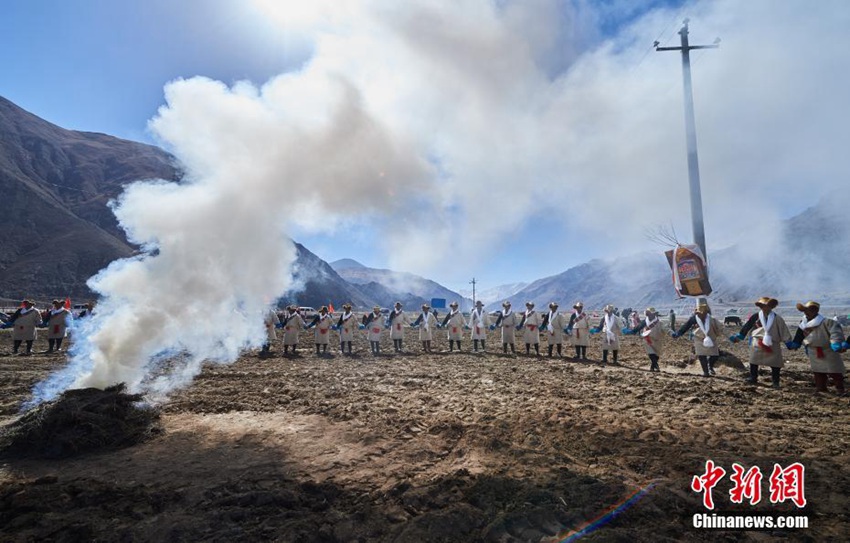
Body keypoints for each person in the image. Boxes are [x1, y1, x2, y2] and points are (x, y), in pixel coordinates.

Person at [729, 297, 791, 389]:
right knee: (753, 361)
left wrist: (788, 342)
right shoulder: (755, 316)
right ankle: (753, 377)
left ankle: (775, 382)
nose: (763, 308)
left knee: (775, 363)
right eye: (762, 306)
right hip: (757, 342)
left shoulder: (777, 318)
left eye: (765, 305)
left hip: (772, 343)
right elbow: (747, 327)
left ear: (771, 306)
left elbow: (783, 330)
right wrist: (740, 336)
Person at [788, 301, 846, 395]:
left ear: (815, 310)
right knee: (818, 371)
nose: (806, 312)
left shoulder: (827, 322)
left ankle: (840, 389)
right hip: (813, 351)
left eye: (808, 310)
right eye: (805, 310)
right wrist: (796, 343)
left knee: (834, 371)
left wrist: (835, 343)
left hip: (828, 350)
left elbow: (835, 332)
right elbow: (799, 335)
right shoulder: (803, 323)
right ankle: (821, 389)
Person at [672, 301, 724, 377]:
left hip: (711, 338)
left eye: (701, 313)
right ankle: (706, 372)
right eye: (698, 313)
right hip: (699, 339)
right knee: (701, 355)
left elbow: (721, 328)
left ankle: (710, 365)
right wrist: (679, 333)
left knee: (715, 355)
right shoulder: (694, 318)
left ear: (706, 312)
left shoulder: (711, 319)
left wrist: (730, 337)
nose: (699, 314)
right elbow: (686, 326)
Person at [623, 307, 664, 372]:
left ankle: (653, 366)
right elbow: (639, 327)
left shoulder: (659, 322)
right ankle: (655, 365)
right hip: (647, 339)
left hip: (657, 339)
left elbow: (666, 329)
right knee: (650, 352)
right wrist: (632, 331)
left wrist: (672, 333)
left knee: (656, 354)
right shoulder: (645, 321)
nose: (649, 315)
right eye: (649, 313)